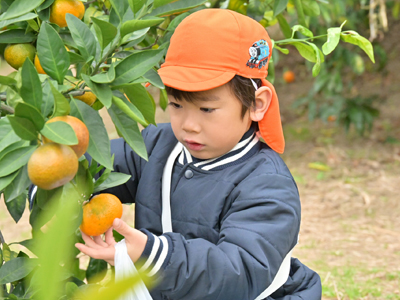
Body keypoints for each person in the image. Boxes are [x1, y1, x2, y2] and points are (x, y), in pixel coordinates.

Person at [75, 8, 322, 300]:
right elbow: (87, 167)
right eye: (177, 105)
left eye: (207, 109)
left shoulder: (267, 184)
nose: (188, 125)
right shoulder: (159, 146)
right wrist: (53, 187)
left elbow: (239, 274)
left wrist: (153, 255)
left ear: (257, 105)